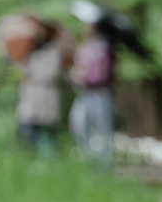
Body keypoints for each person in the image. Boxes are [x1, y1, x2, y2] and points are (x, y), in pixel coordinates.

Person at [14, 21, 66, 156]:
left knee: (47, 128)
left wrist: (33, 73)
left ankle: (48, 157)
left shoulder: (54, 49)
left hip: (46, 92)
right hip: (31, 94)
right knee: (28, 126)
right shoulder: (30, 50)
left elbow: (52, 72)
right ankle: (31, 156)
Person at [69, 20, 117, 162]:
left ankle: (104, 163)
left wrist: (85, 77)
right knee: (78, 124)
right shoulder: (83, 47)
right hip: (83, 94)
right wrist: (75, 75)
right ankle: (89, 157)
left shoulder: (106, 48)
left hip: (101, 94)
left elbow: (103, 74)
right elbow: (77, 66)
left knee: (103, 130)